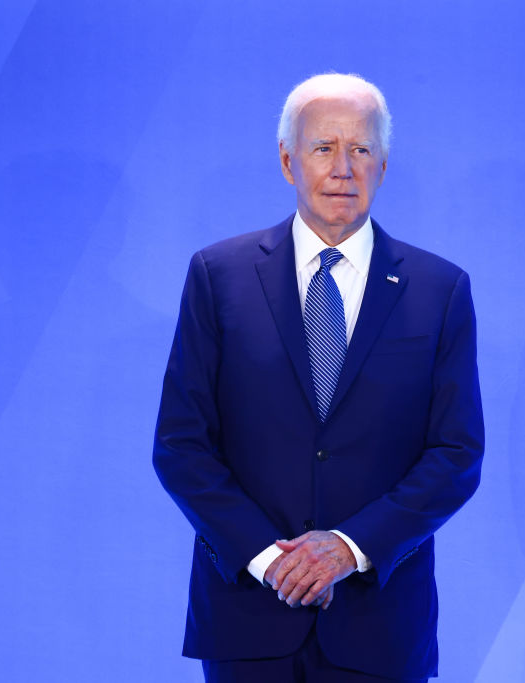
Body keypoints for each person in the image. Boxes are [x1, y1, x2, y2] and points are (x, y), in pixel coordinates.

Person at [153, 73, 484, 682]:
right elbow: (180, 445)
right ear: (287, 161)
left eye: (360, 150)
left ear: (383, 165)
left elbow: (456, 454)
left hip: (379, 624)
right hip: (247, 616)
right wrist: (268, 560)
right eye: (323, 148)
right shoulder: (217, 276)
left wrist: (348, 549)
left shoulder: (440, 290)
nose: (343, 169)